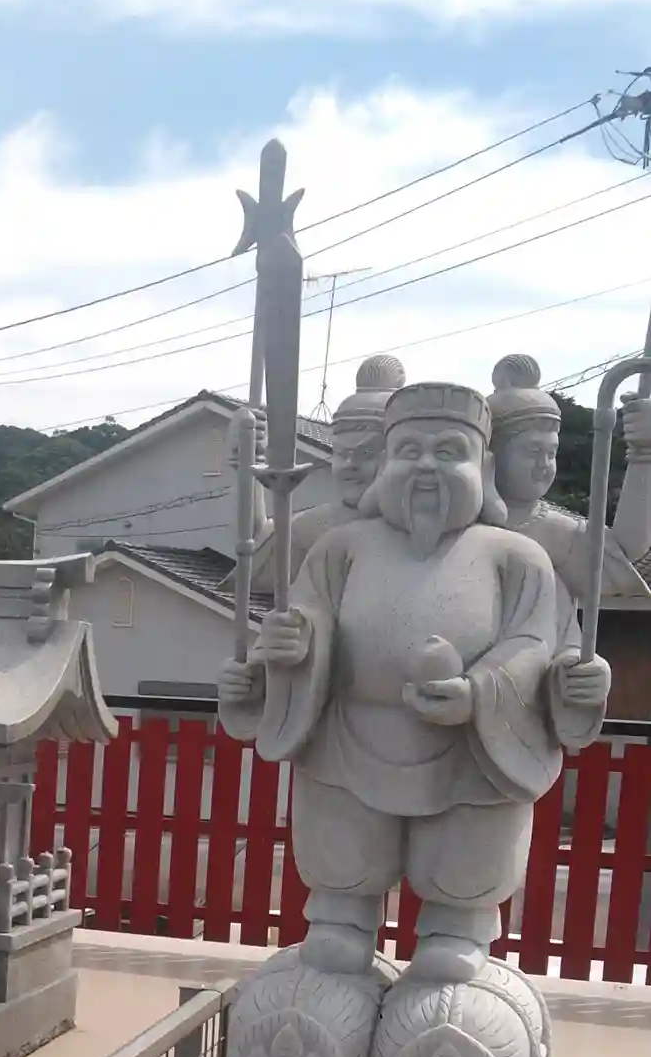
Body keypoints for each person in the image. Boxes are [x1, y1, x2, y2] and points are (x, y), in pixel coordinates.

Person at [219, 380, 578, 988]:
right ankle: (340, 921)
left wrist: (480, 692)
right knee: (343, 864)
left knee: (463, 861)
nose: (427, 467)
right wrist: (282, 653)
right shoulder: (340, 549)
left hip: (471, 749)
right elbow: (306, 617)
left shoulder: (516, 557)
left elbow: (535, 644)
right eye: (410, 451)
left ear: (485, 468)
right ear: (387, 463)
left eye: (449, 451)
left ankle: (458, 928)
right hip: (350, 739)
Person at [487, 354, 627, 742]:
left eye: (551, 453)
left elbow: (566, 637)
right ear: (490, 456)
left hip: (522, 726)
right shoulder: (451, 531)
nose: (544, 465)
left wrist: (585, 672)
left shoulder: (559, 534)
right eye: (532, 452)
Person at [246, 353, 404, 596]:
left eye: (367, 453)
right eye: (341, 453)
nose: (350, 465)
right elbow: (255, 549)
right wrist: (248, 459)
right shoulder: (314, 526)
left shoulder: (423, 528)